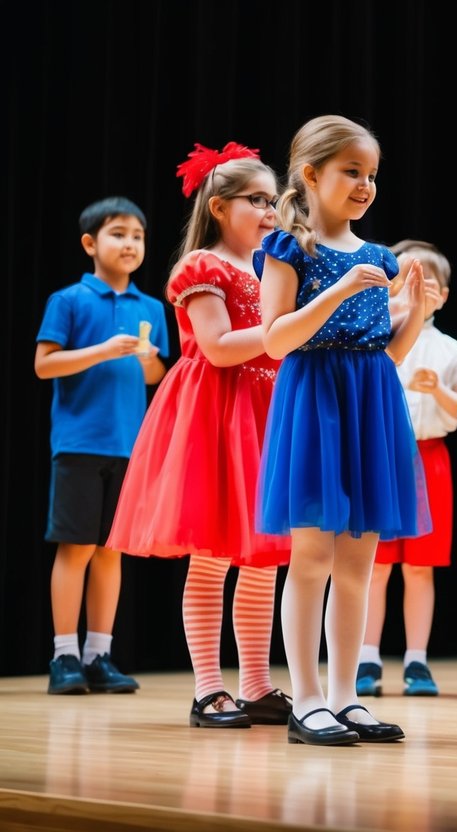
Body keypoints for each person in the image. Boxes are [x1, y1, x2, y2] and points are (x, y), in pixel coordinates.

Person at [105, 142, 296, 727]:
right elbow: (216, 347)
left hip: (267, 411)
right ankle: (209, 690)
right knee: (213, 557)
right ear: (218, 206)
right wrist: (287, 327)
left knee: (264, 559)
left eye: (275, 201)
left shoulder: (271, 267)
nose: (270, 211)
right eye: (257, 200)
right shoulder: (201, 267)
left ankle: (259, 685)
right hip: (217, 415)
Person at [258, 115, 428, 746]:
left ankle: (345, 696)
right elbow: (277, 340)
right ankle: (305, 699)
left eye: (371, 175)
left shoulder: (378, 257)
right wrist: (335, 294)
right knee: (312, 558)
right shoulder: (288, 248)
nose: (365, 185)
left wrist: (418, 311)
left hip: (370, 401)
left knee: (360, 557)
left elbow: (388, 354)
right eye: (351, 172)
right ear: (311, 174)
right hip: (314, 402)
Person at [35, 196, 169, 696]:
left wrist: (148, 358)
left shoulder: (151, 308)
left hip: (130, 447)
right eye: (118, 234)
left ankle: (99, 654)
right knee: (77, 547)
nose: (130, 243)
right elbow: (44, 365)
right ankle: (64, 655)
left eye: (137, 235)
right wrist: (100, 350)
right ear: (91, 243)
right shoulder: (68, 300)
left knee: (112, 550)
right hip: (79, 443)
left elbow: (156, 376)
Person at [357, 239, 457, 698]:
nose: (416, 286)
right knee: (374, 566)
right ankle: (366, 658)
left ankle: (416, 661)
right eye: (403, 277)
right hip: (379, 457)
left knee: (420, 568)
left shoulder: (453, 351)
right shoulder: (369, 334)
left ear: (441, 295)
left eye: (429, 282)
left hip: (430, 458)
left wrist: (438, 391)